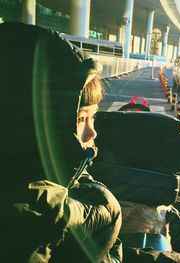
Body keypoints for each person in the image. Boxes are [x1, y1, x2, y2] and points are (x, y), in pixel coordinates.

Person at [0, 22, 122, 262]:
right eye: (80, 118)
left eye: (93, 118)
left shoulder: (31, 179)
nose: (91, 133)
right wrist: (109, 211)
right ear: (30, 122)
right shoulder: (32, 218)